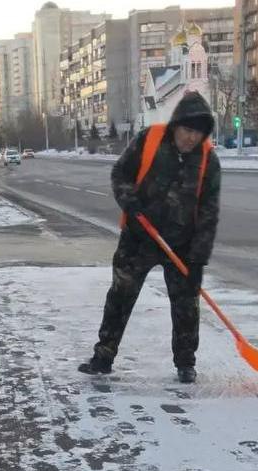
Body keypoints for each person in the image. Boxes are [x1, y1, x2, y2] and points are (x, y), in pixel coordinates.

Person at [78, 91, 221, 384]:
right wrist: (129, 201)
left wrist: (198, 259)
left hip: (181, 244)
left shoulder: (208, 159)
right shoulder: (150, 140)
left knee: (186, 305)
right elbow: (120, 173)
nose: (191, 138)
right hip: (139, 237)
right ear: (176, 125)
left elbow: (209, 211)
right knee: (120, 296)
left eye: (198, 132)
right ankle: (103, 357)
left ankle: (185, 363)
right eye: (187, 129)